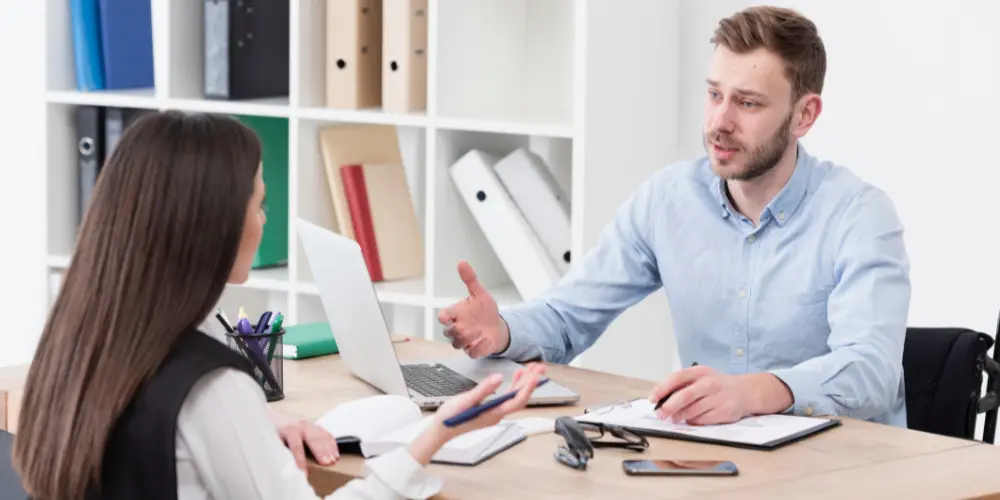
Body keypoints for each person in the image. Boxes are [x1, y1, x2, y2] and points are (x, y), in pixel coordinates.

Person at [11, 110, 547, 500]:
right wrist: (437, 433)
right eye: (259, 202)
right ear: (210, 224)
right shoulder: (212, 388)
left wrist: (253, 432)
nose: (264, 220)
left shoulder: (78, 349)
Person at [439, 6, 911, 428]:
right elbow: (567, 318)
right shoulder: (669, 200)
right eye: (714, 95)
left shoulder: (858, 215)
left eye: (747, 103)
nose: (719, 122)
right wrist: (500, 330)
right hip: (719, 462)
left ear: (804, 115)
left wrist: (751, 392)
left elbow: (871, 369)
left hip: (843, 470)